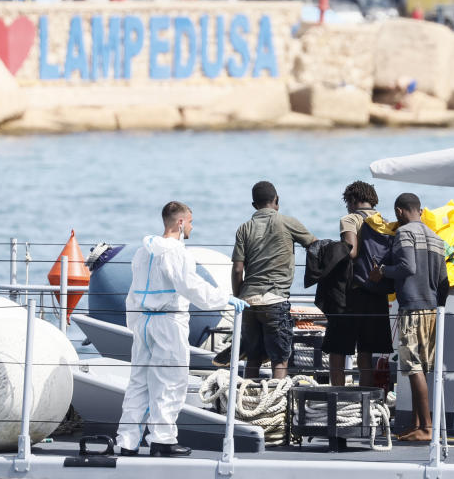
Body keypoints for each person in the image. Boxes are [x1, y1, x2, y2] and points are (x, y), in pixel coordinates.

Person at [117, 202, 248, 457]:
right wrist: (223, 299)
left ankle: (127, 441)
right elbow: (189, 285)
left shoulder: (143, 252)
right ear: (180, 222)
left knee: (139, 383)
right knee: (169, 381)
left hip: (143, 321)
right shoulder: (176, 252)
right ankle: (162, 440)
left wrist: (133, 322)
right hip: (168, 321)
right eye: (190, 222)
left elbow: (133, 292)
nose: (191, 227)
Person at [369, 193, 449, 441]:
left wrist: (382, 271)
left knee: (413, 368)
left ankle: (426, 428)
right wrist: (439, 306)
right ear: (421, 211)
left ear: (399, 211)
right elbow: (444, 281)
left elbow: (407, 267)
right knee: (423, 369)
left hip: (412, 308)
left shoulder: (405, 233)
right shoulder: (436, 238)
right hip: (432, 309)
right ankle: (416, 424)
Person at [227, 181, 316, 379]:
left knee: (253, 357)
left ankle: (249, 400)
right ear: (277, 200)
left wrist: (239, 297)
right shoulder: (287, 222)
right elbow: (315, 245)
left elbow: (237, 269)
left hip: (248, 301)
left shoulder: (244, 228)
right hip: (275, 300)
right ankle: (276, 404)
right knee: (280, 358)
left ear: (254, 205)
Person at [322, 181, 394, 387]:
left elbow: (351, 251)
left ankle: (338, 397)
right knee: (366, 351)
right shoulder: (384, 221)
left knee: (337, 349)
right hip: (377, 292)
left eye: (347, 202)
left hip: (352, 293)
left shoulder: (350, 219)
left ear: (353, 200)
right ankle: (366, 399)